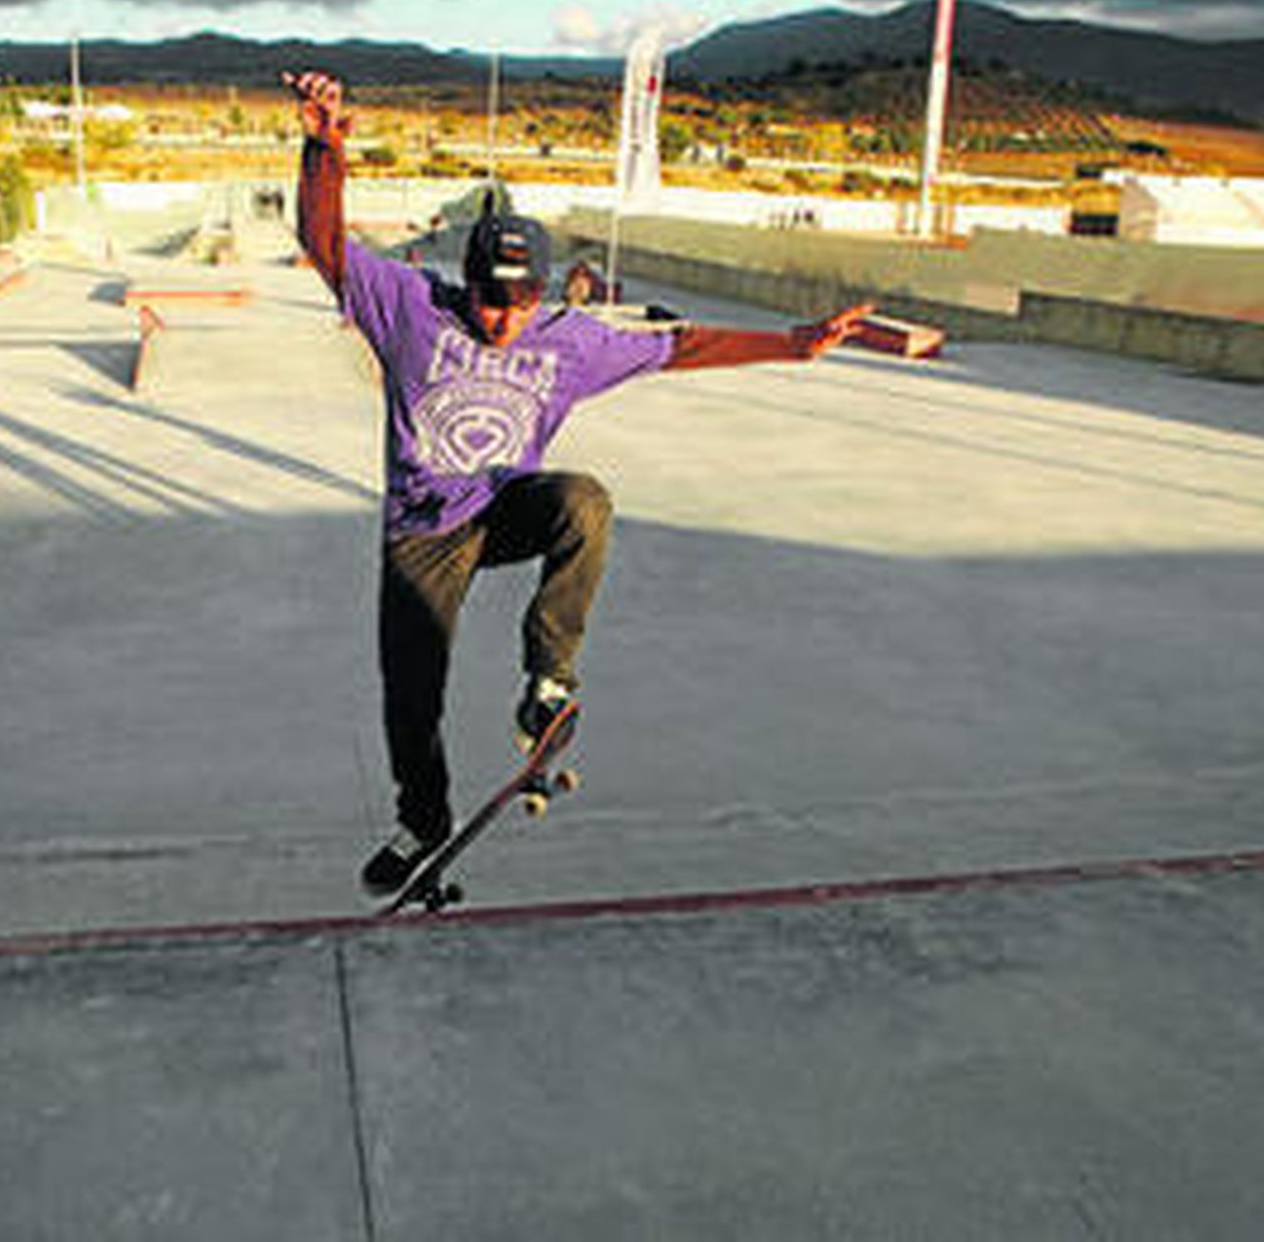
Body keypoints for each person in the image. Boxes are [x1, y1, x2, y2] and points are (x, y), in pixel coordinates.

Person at [284, 70, 873, 896]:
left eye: (519, 306)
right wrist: (324, 146)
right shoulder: (410, 305)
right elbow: (324, 244)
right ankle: (423, 820)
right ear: (469, 280)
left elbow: (682, 346)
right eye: (490, 302)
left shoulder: (571, 342)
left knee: (583, 501)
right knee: (410, 701)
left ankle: (549, 676)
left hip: (503, 510)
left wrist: (793, 344)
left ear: (544, 294)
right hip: (422, 535)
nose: (501, 320)